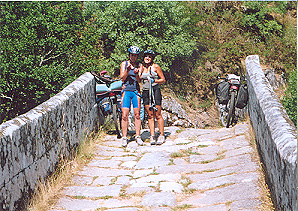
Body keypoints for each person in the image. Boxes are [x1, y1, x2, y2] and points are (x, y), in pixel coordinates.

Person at [140, 50, 166, 145]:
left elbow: (163, 79)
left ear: (152, 58)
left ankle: (161, 135)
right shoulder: (141, 68)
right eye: (146, 56)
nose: (147, 58)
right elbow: (139, 79)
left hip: (155, 91)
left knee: (157, 114)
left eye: (149, 57)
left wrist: (155, 80)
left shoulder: (155, 67)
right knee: (150, 115)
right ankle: (152, 136)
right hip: (146, 91)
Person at [120, 46, 143, 147]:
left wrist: (137, 73)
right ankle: (124, 137)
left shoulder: (139, 65)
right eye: (132, 55)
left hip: (135, 91)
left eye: (135, 55)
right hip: (126, 91)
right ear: (129, 55)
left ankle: (138, 136)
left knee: (137, 115)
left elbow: (139, 80)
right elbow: (122, 78)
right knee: (124, 115)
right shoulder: (124, 64)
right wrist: (127, 70)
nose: (133, 57)